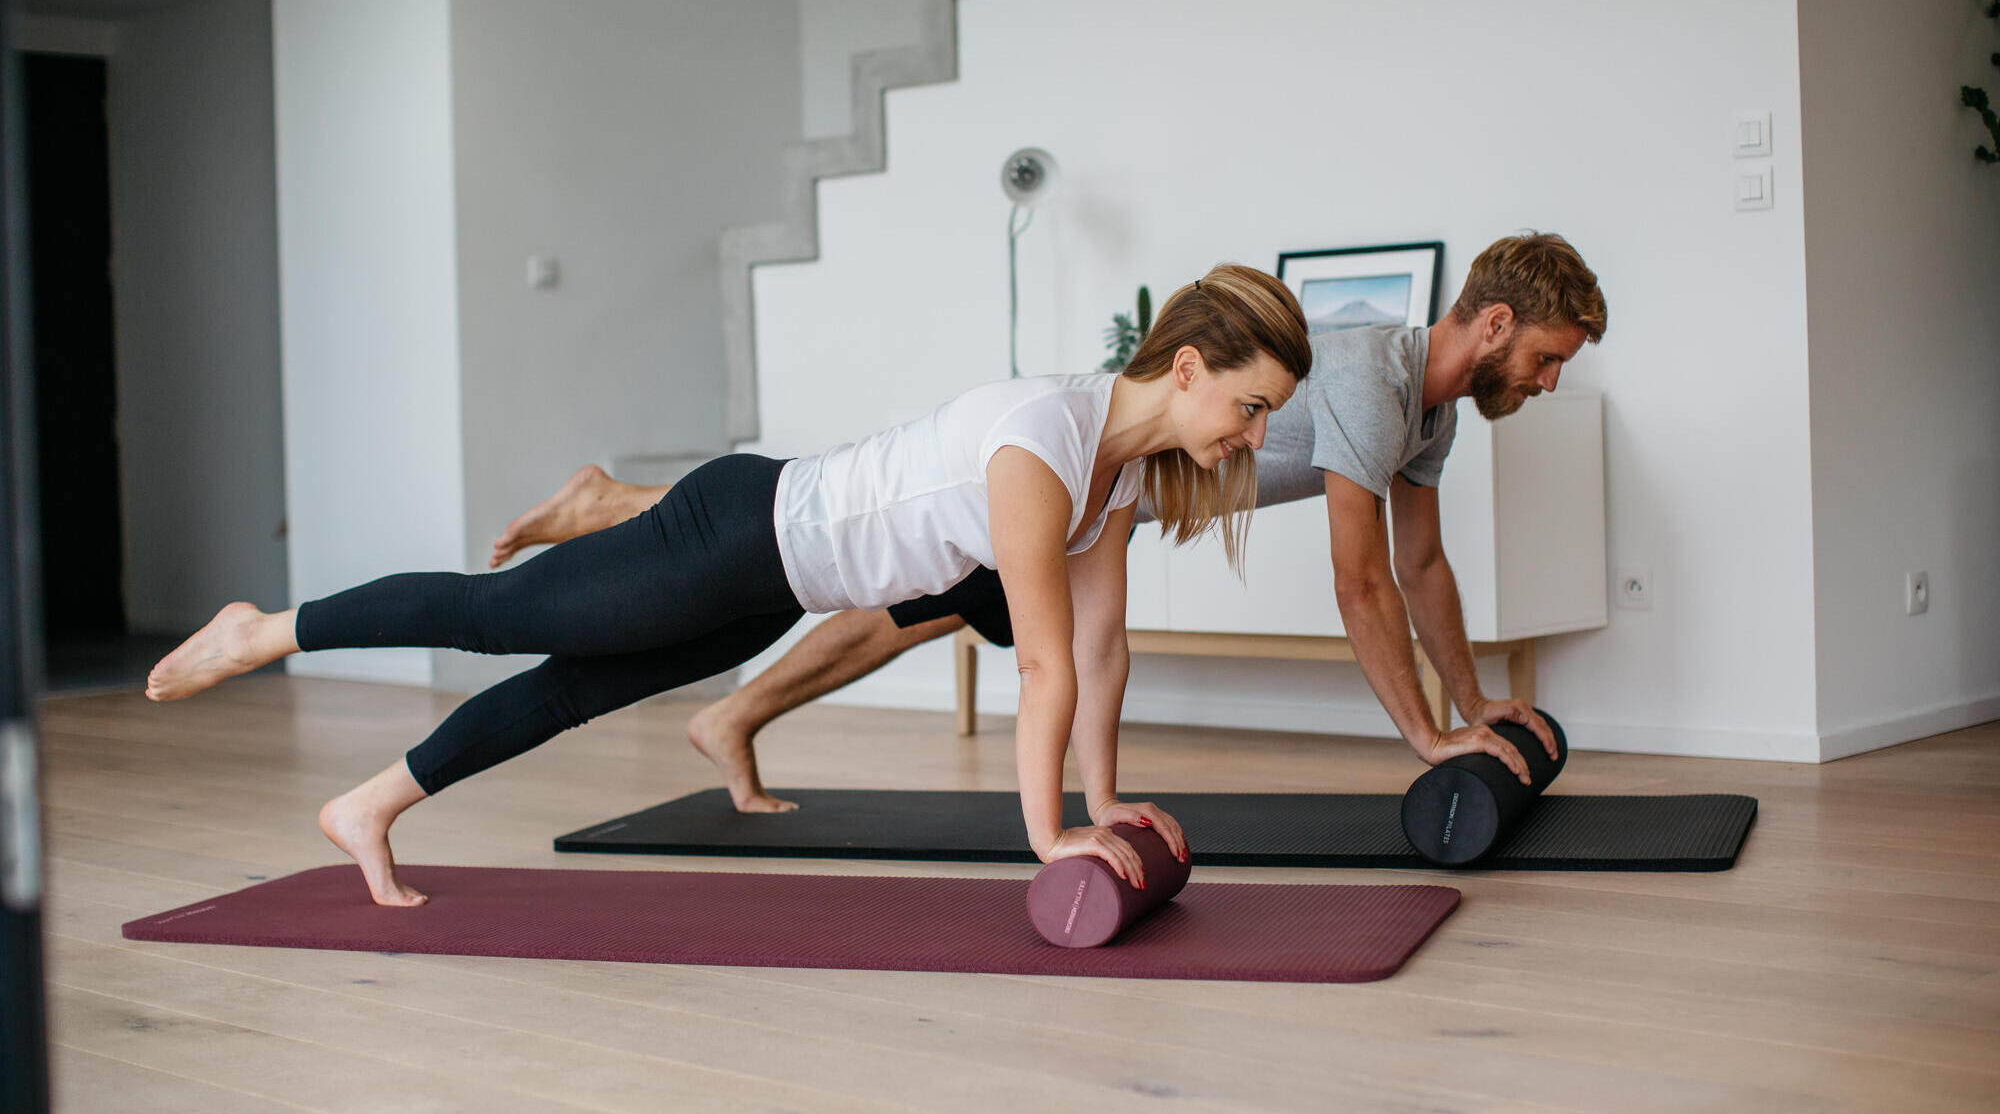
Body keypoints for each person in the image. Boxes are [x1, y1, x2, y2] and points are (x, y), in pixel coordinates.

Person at [145, 265, 1314, 908]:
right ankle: (266, 626)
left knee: (571, 694)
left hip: (776, 583)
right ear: (1189, 365)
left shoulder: (1115, 480)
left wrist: (1103, 801)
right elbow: (1046, 658)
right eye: (1251, 406)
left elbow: (1102, 651)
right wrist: (1047, 833)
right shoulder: (1041, 438)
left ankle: (370, 806)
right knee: (492, 614)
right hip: (735, 530)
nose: (1254, 436)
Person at [494, 231, 1608, 804]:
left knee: (913, 594)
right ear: (1496, 320)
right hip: (1082, 469)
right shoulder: (1373, 379)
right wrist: (1424, 737)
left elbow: (1422, 567)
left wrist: (1474, 706)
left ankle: (712, 677)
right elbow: (1360, 581)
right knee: (881, 566)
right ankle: (642, 543)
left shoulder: (1433, 412)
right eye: (1548, 357)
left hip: (1113, 501)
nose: (1549, 380)